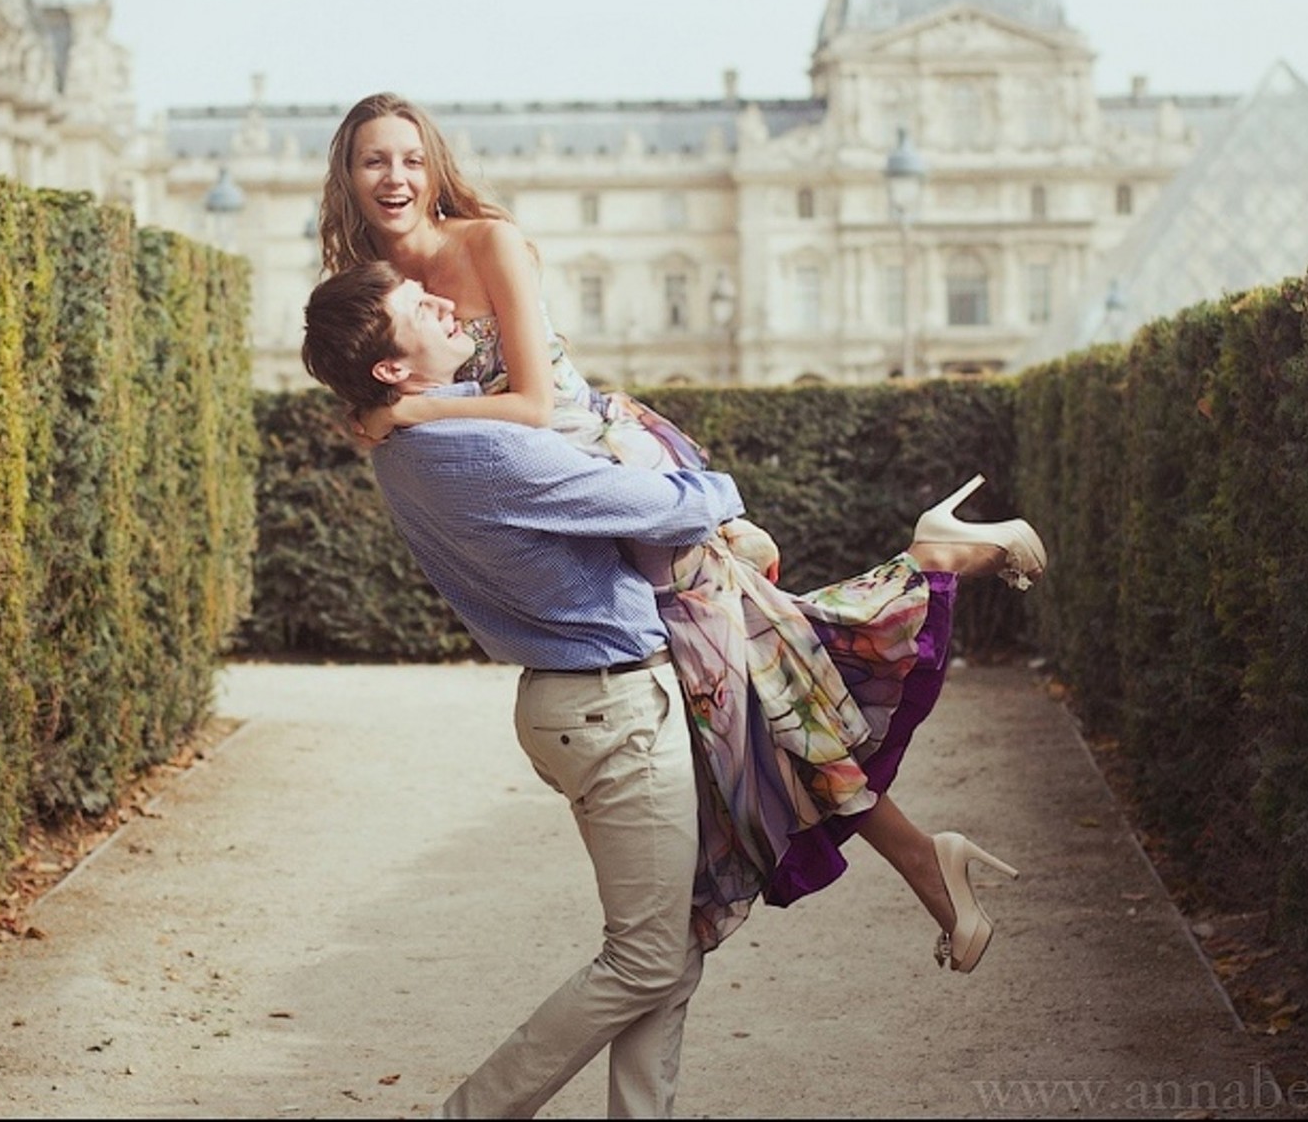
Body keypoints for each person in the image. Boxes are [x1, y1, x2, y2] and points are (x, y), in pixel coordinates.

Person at [317, 93, 1046, 957]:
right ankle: (928, 854)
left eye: (410, 157)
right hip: (559, 504)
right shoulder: (375, 288)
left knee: (740, 686)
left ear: (435, 165)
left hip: (610, 469)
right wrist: (380, 410)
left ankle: (930, 566)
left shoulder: (488, 241)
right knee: (760, 682)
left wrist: (408, 411)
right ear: (347, 175)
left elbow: (535, 404)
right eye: (374, 160)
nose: (395, 177)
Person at [301, 260, 1031, 1118]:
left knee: (671, 945)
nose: (440, 299)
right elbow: (675, 506)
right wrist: (712, 490)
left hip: (587, 702)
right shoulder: (479, 445)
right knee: (646, 958)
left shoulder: (406, 443)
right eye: (415, 306)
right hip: (613, 707)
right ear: (392, 366)